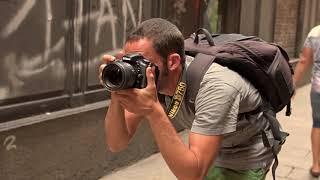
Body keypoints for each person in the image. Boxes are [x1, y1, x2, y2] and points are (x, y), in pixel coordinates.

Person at [99, 18, 277, 180]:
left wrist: (154, 111)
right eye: (130, 62)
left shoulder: (217, 86)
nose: (134, 69)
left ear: (173, 62)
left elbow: (192, 175)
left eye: (141, 63)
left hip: (244, 156)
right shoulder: (151, 78)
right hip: (209, 142)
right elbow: (117, 143)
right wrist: (116, 89)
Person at [293, 25, 320, 178]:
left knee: (318, 124)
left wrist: (293, 84)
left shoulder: (315, 32)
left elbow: (303, 61)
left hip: (318, 87)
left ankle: (316, 165)